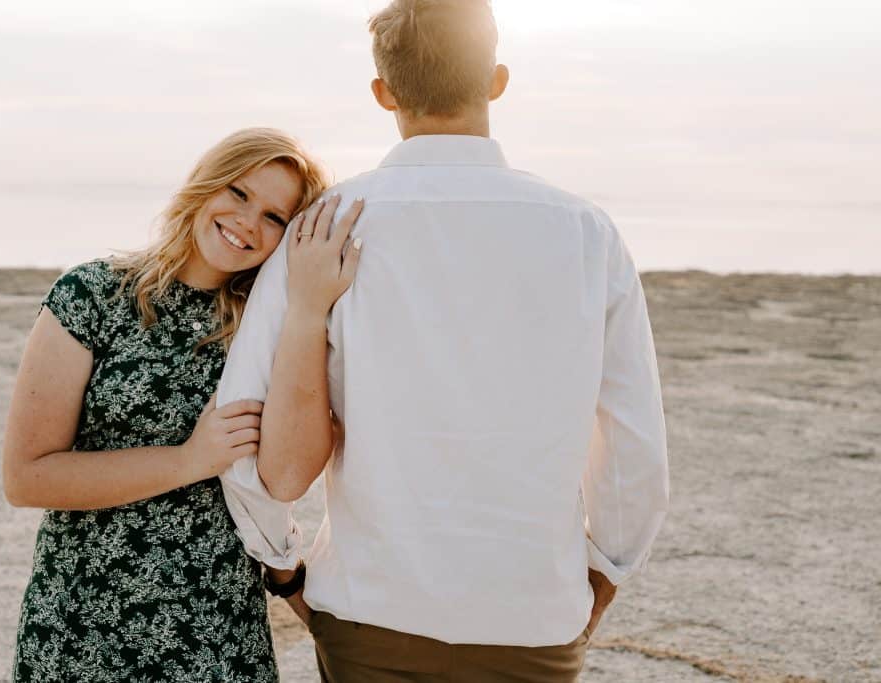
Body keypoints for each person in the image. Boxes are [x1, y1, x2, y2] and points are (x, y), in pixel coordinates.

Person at [216, 1, 671, 681]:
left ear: (383, 93)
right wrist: (604, 573)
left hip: (369, 609)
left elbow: (242, 423)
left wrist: (282, 566)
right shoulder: (585, 232)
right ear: (496, 80)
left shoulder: (328, 225)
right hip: (531, 616)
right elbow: (634, 450)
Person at [2, 128, 361, 682]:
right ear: (205, 184)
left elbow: (279, 481)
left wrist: (309, 307)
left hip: (216, 631)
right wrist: (189, 460)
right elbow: (27, 478)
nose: (247, 221)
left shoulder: (267, 331)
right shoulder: (92, 295)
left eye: (273, 217)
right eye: (239, 194)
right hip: (82, 623)